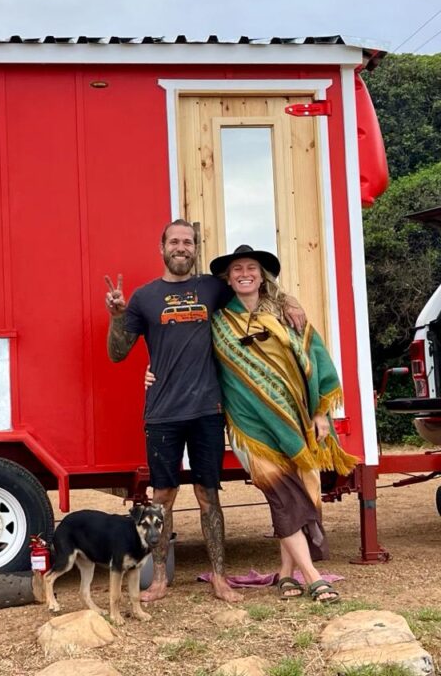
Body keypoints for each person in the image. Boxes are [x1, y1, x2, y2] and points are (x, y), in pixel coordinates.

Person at [106, 219, 246, 603]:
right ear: (162, 247)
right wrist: (117, 316)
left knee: (208, 495)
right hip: (163, 412)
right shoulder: (144, 297)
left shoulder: (212, 288)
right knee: (162, 496)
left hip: (207, 408)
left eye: (188, 241)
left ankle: (220, 578)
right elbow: (118, 354)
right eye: (174, 241)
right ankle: (160, 582)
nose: (181, 247)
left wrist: (292, 302)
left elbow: (254, 292)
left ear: (195, 248)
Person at [208, 245, 358, 603]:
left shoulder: (287, 314)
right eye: (237, 269)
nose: (244, 273)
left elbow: (315, 356)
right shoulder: (216, 322)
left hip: (296, 419)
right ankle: (314, 577)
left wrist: (321, 413)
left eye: (252, 268)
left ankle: (288, 575)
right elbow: (184, 352)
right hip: (249, 428)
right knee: (281, 494)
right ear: (228, 278)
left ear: (262, 276)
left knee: (302, 491)